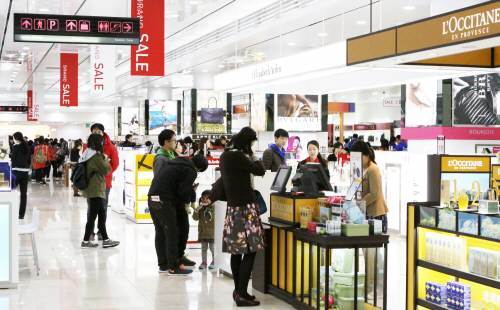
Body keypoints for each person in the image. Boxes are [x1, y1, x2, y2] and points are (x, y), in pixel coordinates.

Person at [220, 127, 266, 307]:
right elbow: (260, 170)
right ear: (248, 142)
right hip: (246, 209)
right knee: (250, 250)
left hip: (232, 210)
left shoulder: (225, 156)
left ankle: (239, 292)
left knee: (236, 252)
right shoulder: (239, 157)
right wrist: (253, 155)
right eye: (252, 143)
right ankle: (241, 293)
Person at [147, 154, 208, 275]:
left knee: (161, 231)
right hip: (165, 200)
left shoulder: (177, 162)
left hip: (153, 198)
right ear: (199, 168)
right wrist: (191, 195)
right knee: (172, 231)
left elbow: (176, 186)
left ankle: (166, 263)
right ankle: (173, 266)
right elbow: (183, 191)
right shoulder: (190, 170)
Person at [80, 134, 120, 248]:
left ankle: (106, 239)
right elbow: (107, 170)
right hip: (96, 188)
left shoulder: (87, 153)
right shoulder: (96, 156)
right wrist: (105, 158)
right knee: (93, 216)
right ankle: (86, 241)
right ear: (99, 143)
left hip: (92, 188)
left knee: (101, 214)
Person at [89, 123, 119, 241]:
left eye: (98, 131)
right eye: (94, 131)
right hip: (91, 182)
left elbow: (115, 164)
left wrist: (104, 172)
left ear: (103, 132)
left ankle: (101, 232)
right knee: (91, 208)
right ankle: (90, 232)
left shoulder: (110, 147)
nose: (96, 133)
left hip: (104, 183)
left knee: (103, 207)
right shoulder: (88, 146)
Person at [350, 141, 388, 233]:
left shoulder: (373, 169)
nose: (356, 160)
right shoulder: (358, 169)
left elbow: (374, 193)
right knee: (364, 245)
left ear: (366, 155)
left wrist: (360, 204)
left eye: (358, 157)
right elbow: (355, 188)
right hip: (363, 213)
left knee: (371, 246)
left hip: (375, 214)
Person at [10, 132, 31, 219]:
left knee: (11, 192)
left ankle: (11, 211)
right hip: (25, 172)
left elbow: (13, 159)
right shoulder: (27, 147)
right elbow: (29, 160)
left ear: (15, 138)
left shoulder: (15, 147)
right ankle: (21, 215)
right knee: (23, 194)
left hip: (16, 172)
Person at [192, 190, 215, 271]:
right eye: (203, 198)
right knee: (203, 249)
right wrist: (197, 209)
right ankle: (204, 262)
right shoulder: (200, 208)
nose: (204, 200)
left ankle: (214, 261)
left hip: (212, 233)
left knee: (212, 248)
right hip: (203, 233)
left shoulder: (214, 207)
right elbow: (195, 218)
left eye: (207, 198)